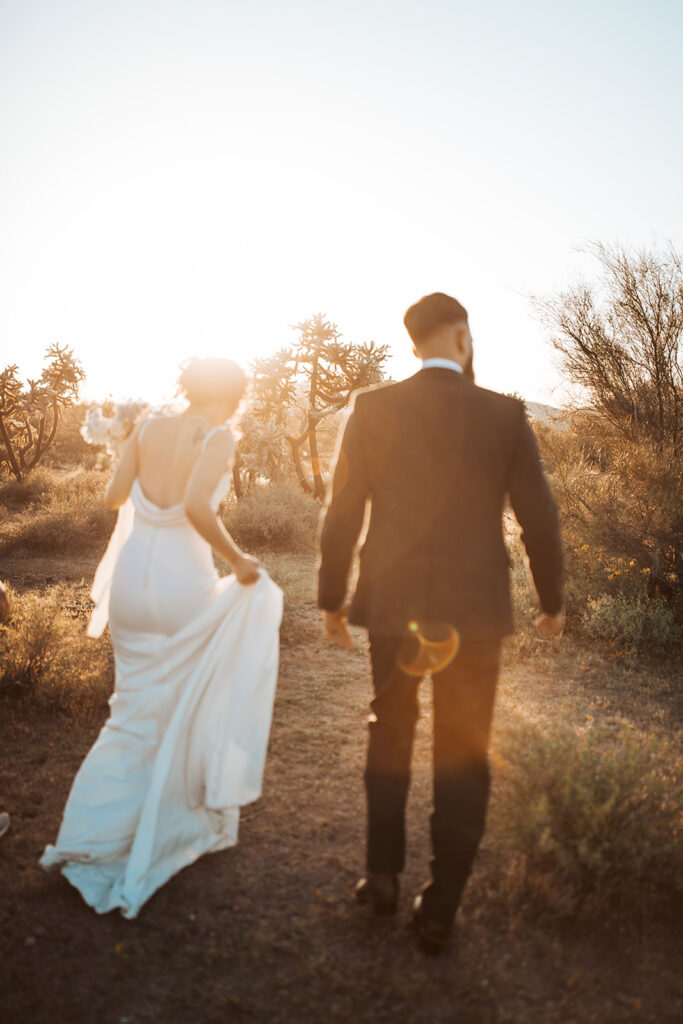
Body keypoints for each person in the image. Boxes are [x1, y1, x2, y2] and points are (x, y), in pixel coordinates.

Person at [318, 293, 564, 954]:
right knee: (464, 749)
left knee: (388, 727)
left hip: (393, 604)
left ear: (411, 342)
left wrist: (331, 596)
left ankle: (381, 878)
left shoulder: (371, 407)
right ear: (460, 336)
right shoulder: (504, 414)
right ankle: (441, 905)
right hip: (475, 612)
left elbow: (342, 510)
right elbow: (539, 517)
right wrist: (551, 599)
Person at [41, 358, 283, 918]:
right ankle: (168, 819)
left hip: (132, 576)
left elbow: (112, 496)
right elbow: (197, 507)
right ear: (234, 397)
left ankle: (90, 835)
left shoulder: (148, 426)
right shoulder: (218, 437)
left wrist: (135, 457)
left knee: (130, 708)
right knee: (182, 704)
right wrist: (241, 560)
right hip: (182, 578)